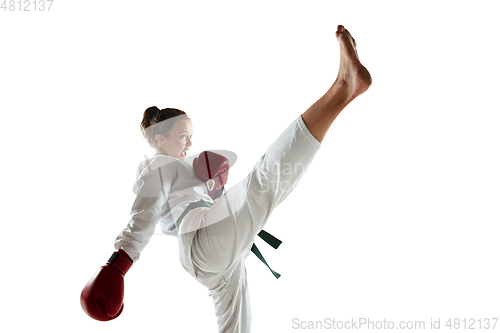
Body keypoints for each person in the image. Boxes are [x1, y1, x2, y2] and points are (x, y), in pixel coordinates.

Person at [81, 25, 372, 332]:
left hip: (212, 256)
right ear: (159, 139)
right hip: (201, 241)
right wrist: (120, 263)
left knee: (237, 326)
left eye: (190, 136)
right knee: (265, 180)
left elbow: (174, 208)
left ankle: (345, 87)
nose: (189, 144)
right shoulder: (158, 164)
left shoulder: (180, 171)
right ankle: (343, 87)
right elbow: (146, 211)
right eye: (182, 136)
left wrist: (210, 188)